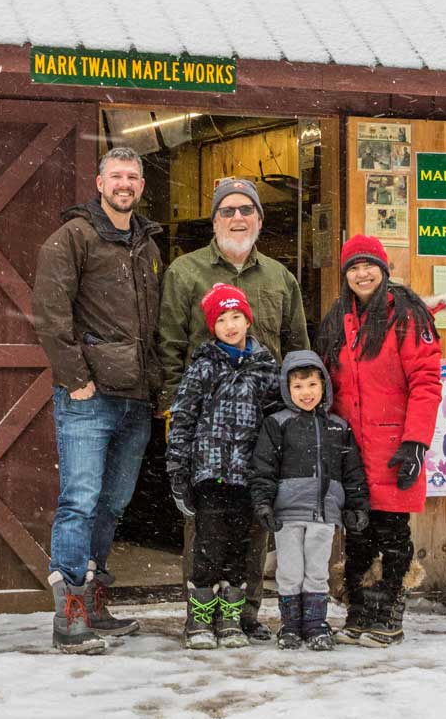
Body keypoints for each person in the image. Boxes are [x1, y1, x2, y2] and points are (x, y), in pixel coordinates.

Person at [158, 177, 308, 641]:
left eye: (246, 210)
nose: (237, 218)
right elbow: (169, 346)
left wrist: (296, 419)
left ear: (260, 219)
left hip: (264, 425)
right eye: (228, 211)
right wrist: (170, 413)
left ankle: (245, 613)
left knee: (255, 518)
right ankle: (199, 616)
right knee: (205, 525)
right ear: (215, 219)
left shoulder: (281, 278)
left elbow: (297, 347)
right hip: (206, 428)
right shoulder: (185, 272)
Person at [33, 146, 162, 655]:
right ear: (99, 182)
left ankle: (95, 606)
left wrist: (156, 386)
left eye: (132, 176)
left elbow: (153, 327)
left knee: (112, 504)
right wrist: (75, 378)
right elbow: (49, 312)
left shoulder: (148, 247)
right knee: (80, 501)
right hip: (89, 397)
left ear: (141, 186)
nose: (124, 184)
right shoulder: (73, 238)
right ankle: (69, 617)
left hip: (136, 399)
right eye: (116, 176)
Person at [315, 235, 443, 648]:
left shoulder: (407, 315)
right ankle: (359, 612)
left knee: (391, 532)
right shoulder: (338, 319)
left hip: (393, 445)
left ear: (384, 270)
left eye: (369, 265)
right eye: (353, 267)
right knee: (357, 533)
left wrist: (416, 442)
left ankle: (388, 613)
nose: (362, 273)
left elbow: (426, 381)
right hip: (350, 447)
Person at [164, 284, 279, 649]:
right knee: (208, 546)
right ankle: (200, 619)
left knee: (240, 549)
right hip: (209, 476)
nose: (230, 325)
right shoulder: (202, 367)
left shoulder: (265, 369)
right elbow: (182, 418)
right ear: (212, 326)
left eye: (236, 317)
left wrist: (272, 473)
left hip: (247, 476)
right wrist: (178, 471)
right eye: (222, 319)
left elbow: (276, 422)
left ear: (248, 320)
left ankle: (230, 618)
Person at [250, 350, 370, 651]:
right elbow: (263, 469)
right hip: (287, 514)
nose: (306, 393)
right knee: (289, 571)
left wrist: (356, 506)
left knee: (317, 571)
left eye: (313, 385)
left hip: (324, 514)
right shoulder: (277, 424)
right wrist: (263, 503)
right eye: (298, 387)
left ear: (324, 386)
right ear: (287, 389)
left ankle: (316, 624)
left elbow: (352, 471)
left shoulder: (337, 427)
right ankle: (290, 625)